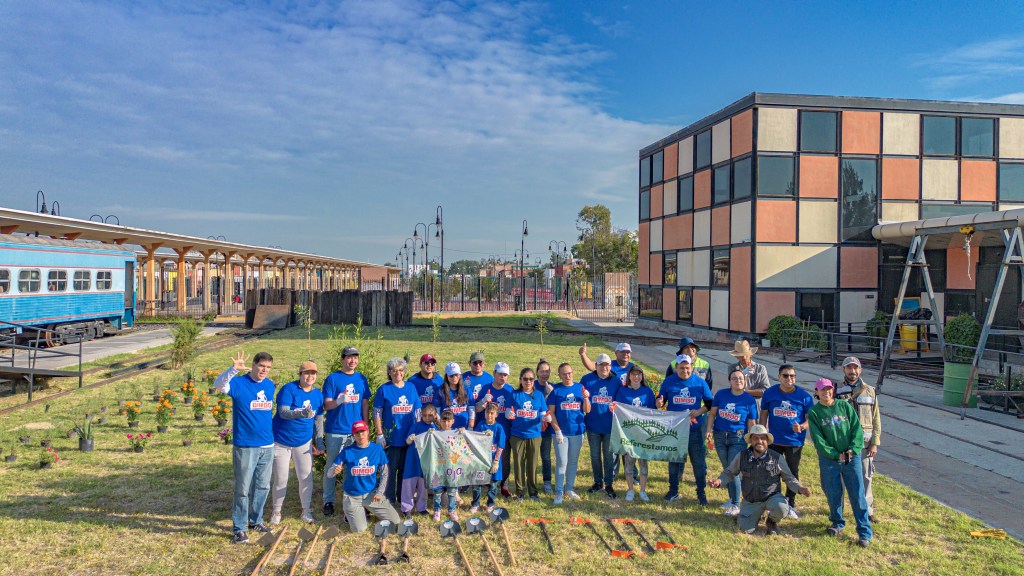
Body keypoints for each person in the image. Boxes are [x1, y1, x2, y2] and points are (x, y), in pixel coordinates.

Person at [215, 351, 276, 544]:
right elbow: (218, 385)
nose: (264, 370)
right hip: (246, 445)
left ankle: (256, 520)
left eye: (268, 368)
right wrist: (233, 370)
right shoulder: (239, 384)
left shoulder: (269, 385)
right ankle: (239, 528)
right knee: (242, 489)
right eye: (261, 366)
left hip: (267, 444)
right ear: (254, 365)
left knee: (263, 485)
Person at [708, 424, 811, 535]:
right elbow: (729, 473)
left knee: (782, 508)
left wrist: (800, 488)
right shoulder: (742, 456)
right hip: (752, 500)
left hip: (772, 498)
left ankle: (771, 521)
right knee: (745, 529)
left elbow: (789, 478)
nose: (759, 441)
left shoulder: (777, 457)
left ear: (767, 441)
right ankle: (752, 515)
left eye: (763, 438)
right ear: (751, 441)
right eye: (756, 438)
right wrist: (719, 482)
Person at [808, 378, 873, 547]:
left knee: (857, 494)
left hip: (851, 457)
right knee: (833, 492)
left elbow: (856, 430)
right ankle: (837, 522)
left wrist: (852, 449)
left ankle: (864, 531)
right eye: (822, 390)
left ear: (833, 390)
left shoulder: (844, 406)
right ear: (816, 392)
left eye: (829, 389)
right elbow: (818, 439)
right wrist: (835, 454)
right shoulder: (815, 412)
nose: (826, 392)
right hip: (830, 459)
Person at [269, 360, 324, 526]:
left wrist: (319, 442)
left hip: (303, 442)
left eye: (313, 373)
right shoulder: (289, 389)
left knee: (306, 477)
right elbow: (284, 412)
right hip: (281, 440)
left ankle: (306, 510)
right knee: (281, 478)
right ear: (300, 374)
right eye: (306, 373)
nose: (310, 376)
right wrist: (300, 413)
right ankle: (276, 511)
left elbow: (319, 419)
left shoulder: (317, 394)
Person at [320, 345, 370, 518]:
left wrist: (365, 424)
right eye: (349, 357)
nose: (352, 361)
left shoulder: (361, 379)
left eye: (355, 357)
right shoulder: (333, 379)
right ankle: (328, 501)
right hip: (336, 430)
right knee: (332, 467)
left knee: (355, 468)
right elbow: (326, 405)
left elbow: (364, 404)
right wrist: (338, 401)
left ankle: (354, 501)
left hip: (356, 432)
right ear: (342, 359)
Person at [759, 364, 814, 518]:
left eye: (792, 376)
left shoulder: (804, 396)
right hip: (774, 440)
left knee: (792, 472)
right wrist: (762, 434)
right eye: (786, 375)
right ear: (779, 377)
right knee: (771, 471)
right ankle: (772, 501)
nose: (789, 378)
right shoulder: (770, 393)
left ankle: (790, 504)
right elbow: (764, 414)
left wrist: (802, 427)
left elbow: (810, 419)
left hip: (794, 442)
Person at [326, 420, 401, 532]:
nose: (361, 436)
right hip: (352, 497)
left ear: (368, 432)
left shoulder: (377, 449)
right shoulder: (347, 451)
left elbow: (385, 473)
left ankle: (365, 509)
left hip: (371, 495)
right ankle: (350, 514)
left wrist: (380, 492)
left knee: (396, 521)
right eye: (357, 433)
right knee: (360, 530)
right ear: (353, 435)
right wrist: (334, 471)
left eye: (363, 432)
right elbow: (329, 474)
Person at [657, 354, 712, 505]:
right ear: (676, 368)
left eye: (687, 368)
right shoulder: (669, 381)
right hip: (675, 430)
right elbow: (661, 402)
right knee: (674, 461)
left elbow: (710, 403)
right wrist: (659, 402)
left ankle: (701, 493)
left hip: (694, 429)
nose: (685, 371)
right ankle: (673, 491)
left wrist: (699, 412)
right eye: (681, 368)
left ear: (692, 368)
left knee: (698, 463)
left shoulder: (699, 383)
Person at [835, 356, 882, 522]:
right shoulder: (835, 389)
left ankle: (868, 511)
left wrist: (875, 442)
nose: (852, 371)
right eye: (849, 368)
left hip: (864, 444)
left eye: (855, 368)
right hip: (842, 443)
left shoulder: (870, 391)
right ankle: (838, 512)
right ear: (844, 370)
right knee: (839, 478)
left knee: (866, 477)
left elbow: (876, 418)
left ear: (860, 370)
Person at [706, 368, 758, 516]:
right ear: (729, 381)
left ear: (744, 381)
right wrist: (708, 430)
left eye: (741, 378)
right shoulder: (721, 394)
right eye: (734, 378)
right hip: (720, 435)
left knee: (732, 469)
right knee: (726, 468)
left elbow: (751, 421)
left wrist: (754, 439)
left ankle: (736, 504)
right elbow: (712, 414)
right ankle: (731, 498)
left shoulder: (749, 399)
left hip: (738, 437)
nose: (738, 381)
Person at [373, 358, 423, 504]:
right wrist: (380, 434)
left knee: (404, 471)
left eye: (400, 370)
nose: (397, 373)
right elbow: (377, 413)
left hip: (408, 438)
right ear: (389, 372)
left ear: (404, 372)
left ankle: (404, 498)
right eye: (394, 370)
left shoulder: (411, 387)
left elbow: (418, 411)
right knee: (389, 471)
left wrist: (418, 432)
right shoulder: (384, 389)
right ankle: (389, 500)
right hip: (391, 439)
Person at [547, 362, 590, 505]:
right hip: (561, 433)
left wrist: (586, 398)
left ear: (573, 373)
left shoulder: (580, 388)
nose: (567, 376)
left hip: (577, 431)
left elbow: (587, 410)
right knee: (561, 462)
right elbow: (551, 413)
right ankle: (559, 492)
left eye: (569, 373)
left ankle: (569, 489)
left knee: (572, 462)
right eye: (564, 374)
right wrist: (557, 430)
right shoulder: (556, 391)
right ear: (559, 375)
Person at [614, 365, 656, 502]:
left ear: (642, 376)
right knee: (629, 462)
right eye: (633, 374)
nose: (636, 377)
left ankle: (643, 491)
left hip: (643, 434)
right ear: (629, 376)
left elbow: (653, 412)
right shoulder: (623, 391)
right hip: (628, 434)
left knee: (643, 463)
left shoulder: (647, 392)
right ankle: (630, 489)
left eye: (639, 374)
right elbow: (617, 409)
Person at [581, 353, 620, 497]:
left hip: (610, 426)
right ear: (595, 366)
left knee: (609, 456)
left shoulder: (616, 381)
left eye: (607, 365)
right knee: (595, 456)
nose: (605, 367)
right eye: (602, 364)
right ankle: (598, 482)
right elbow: (580, 400)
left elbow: (621, 401)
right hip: (593, 426)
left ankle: (609, 484)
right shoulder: (587, 380)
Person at [506, 367, 547, 500]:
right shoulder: (514, 394)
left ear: (534, 380)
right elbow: (508, 411)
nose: (528, 381)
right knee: (518, 464)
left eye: (530, 379)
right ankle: (520, 492)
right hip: (517, 435)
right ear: (520, 380)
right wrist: (509, 414)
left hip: (534, 435)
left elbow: (542, 413)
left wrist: (545, 418)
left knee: (532, 464)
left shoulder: (539, 395)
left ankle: (533, 492)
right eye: (525, 378)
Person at [473, 362, 514, 496]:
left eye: (505, 375)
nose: (503, 377)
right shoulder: (485, 388)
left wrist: (512, 414)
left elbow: (515, 408)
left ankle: (504, 485)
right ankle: (486, 481)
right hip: (486, 432)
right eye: (500, 374)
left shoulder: (510, 390)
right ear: (494, 373)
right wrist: (483, 402)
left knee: (504, 458)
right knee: (486, 457)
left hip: (504, 430)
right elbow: (477, 408)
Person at [400, 404, 438, 516]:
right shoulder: (416, 426)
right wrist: (410, 439)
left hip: (426, 461)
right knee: (408, 484)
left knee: (423, 485)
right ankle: (406, 508)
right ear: (421, 415)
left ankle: (421, 507)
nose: (427, 418)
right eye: (424, 415)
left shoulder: (435, 428)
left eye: (430, 415)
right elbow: (407, 442)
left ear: (435, 415)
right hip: (413, 459)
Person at [472, 402, 506, 513]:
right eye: (487, 413)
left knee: (493, 484)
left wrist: (496, 461)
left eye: (492, 413)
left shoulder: (499, 428)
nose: (489, 415)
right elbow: (474, 440)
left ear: (496, 414)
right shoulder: (481, 425)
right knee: (477, 483)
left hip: (493, 461)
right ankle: (475, 504)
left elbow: (501, 446)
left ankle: (490, 503)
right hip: (481, 460)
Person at [430, 410, 462, 521]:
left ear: (453, 421)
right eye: (444, 421)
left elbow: (462, 448)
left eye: (449, 421)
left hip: (452, 468)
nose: (446, 424)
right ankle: (437, 510)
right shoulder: (435, 434)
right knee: (437, 491)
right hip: (438, 467)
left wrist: (463, 433)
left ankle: (452, 510)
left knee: (452, 490)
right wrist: (430, 434)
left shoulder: (456, 433)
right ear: (440, 421)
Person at [535, 359, 555, 494]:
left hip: (547, 429)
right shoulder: (531, 384)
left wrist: (551, 393)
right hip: (533, 428)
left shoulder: (552, 387)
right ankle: (530, 481)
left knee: (546, 457)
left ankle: (547, 481)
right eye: (542, 371)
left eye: (547, 371)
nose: (544, 374)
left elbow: (554, 408)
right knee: (532, 457)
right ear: (537, 372)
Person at [434, 362, 473, 430]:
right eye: (451, 375)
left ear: (460, 375)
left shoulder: (466, 390)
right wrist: (441, 426)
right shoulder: (440, 391)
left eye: (456, 375)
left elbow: (471, 409)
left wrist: (470, 426)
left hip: (464, 429)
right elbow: (437, 412)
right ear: (447, 376)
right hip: (447, 429)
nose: (454, 378)